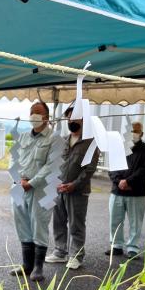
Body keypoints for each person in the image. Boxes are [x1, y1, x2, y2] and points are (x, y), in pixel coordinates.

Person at [46, 107, 100, 270]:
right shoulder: (62, 140)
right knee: (59, 222)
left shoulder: (90, 143)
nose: (72, 122)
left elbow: (89, 170)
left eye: (75, 119)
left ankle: (76, 255)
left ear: (84, 120)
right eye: (69, 119)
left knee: (76, 224)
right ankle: (60, 251)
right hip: (59, 189)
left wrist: (73, 185)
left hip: (78, 191)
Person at [10, 101, 58, 281]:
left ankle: (38, 267)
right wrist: (17, 180)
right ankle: (27, 265)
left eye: (38, 113)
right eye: (32, 112)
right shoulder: (23, 137)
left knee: (39, 225)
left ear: (47, 117)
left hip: (43, 189)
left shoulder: (55, 139)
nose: (34, 116)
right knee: (22, 224)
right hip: (19, 187)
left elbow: (51, 166)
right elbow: (13, 160)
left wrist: (32, 182)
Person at [107, 121, 145, 258]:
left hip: (137, 192)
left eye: (136, 131)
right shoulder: (119, 147)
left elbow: (144, 170)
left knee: (135, 222)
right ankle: (116, 246)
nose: (133, 133)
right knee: (115, 220)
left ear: (142, 134)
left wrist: (128, 181)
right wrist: (119, 182)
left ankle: (132, 248)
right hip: (117, 191)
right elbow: (112, 168)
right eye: (131, 131)